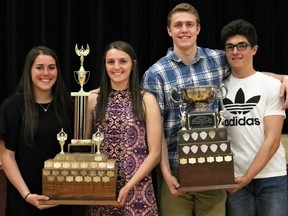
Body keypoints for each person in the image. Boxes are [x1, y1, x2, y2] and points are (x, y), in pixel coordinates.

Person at [141, 3, 288, 216]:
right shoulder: (155, 74)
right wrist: (165, 173)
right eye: (178, 25)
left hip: (215, 168)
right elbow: (157, 132)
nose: (184, 30)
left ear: (198, 29)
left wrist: (284, 78)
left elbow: (249, 72)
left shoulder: (217, 59)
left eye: (189, 24)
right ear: (169, 30)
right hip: (175, 169)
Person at [85, 41, 162, 215]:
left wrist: (128, 186)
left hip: (138, 189)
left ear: (132, 65)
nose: (116, 67)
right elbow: (84, 147)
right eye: (111, 62)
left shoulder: (146, 100)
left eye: (123, 61)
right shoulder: (92, 99)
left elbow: (155, 153)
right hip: (101, 189)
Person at [221, 19, 287, 216]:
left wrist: (247, 177)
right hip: (234, 178)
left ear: (254, 49)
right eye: (230, 47)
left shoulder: (271, 86)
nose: (235, 52)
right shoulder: (218, 88)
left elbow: (273, 140)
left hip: (271, 177)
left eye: (242, 46)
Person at [0, 46, 74, 216]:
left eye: (51, 67)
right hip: (24, 200)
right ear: (29, 70)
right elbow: (7, 156)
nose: (46, 73)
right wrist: (27, 195)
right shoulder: (12, 107)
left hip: (61, 200)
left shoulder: (68, 106)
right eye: (39, 67)